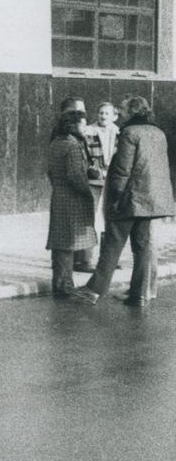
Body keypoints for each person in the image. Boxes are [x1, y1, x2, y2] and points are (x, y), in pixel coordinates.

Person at [78, 96, 174, 306]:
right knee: (142, 247)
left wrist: (116, 197)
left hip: (130, 198)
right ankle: (139, 294)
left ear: (132, 112)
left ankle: (94, 291)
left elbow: (122, 169)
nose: (120, 114)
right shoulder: (158, 132)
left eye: (122, 110)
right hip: (151, 199)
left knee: (113, 244)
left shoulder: (130, 133)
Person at [45, 109, 96, 298]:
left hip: (58, 195)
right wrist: (87, 192)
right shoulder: (73, 146)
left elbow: (50, 172)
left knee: (60, 240)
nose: (85, 127)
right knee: (69, 241)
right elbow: (75, 175)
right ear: (72, 126)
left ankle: (60, 282)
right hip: (72, 197)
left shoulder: (56, 142)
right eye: (82, 124)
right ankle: (65, 285)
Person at [82, 100, 118, 273]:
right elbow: (85, 156)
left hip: (112, 181)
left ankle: (108, 259)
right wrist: (95, 170)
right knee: (91, 218)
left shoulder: (119, 133)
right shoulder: (88, 131)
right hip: (94, 181)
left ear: (114, 116)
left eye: (107, 113)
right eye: (101, 113)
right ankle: (86, 259)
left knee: (109, 218)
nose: (103, 116)